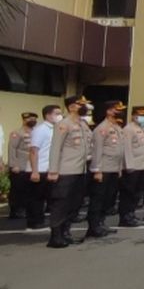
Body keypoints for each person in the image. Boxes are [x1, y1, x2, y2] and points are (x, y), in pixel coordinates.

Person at [46, 95, 92, 248]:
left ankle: (66, 232)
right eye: (81, 104)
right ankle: (56, 236)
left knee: (75, 203)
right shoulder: (63, 124)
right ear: (72, 107)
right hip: (66, 170)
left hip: (80, 170)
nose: (84, 107)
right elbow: (55, 148)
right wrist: (53, 170)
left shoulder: (83, 124)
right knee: (61, 204)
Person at [87, 100, 126, 238]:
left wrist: (120, 168)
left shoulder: (117, 128)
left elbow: (119, 150)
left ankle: (101, 223)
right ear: (109, 111)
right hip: (103, 169)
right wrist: (97, 169)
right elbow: (97, 150)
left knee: (108, 199)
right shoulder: (102, 129)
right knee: (98, 198)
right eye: (117, 109)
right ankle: (93, 226)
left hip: (114, 168)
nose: (119, 112)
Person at [119, 105, 144, 228]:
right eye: (140, 115)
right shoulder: (129, 129)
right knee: (129, 193)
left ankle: (131, 214)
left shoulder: (142, 129)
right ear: (133, 116)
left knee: (137, 193)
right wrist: (129, 165)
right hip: (132, 167)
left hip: (142, 166)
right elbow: (126, 148)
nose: (143, 118)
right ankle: (125, 217)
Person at [26, 104, 58, 231]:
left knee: (46, 197)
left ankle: (40, 219)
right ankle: (34, 221)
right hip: (39, 169)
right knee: (36, 198)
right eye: (56, 113)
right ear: (48, 115)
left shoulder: (54, 129)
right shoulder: (41, 130)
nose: (59, 116)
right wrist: (35, 171)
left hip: (48, 169)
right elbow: (34, 150)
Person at [7, 112, 37, 219]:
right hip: (19, 166)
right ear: (24, 120)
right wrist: (13, 164)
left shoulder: (35, 133)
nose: (33, 120)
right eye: (30, 118)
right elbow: (12, 149)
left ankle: (25, 208)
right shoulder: (17, 133)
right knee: (17, 190)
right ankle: (15, 210)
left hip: (31, 166)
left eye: (34, 118)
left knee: (28, 189)